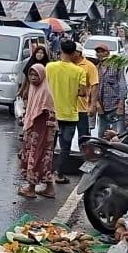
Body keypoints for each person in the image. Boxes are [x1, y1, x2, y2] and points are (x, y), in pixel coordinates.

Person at [46, 40, 87, 183]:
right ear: (74, 52)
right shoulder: (79, 71)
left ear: (60, 51)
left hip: (51, 113)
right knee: (65, 147)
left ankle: (46, 173)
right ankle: (59, 174)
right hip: (69, 115)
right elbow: (82, 92)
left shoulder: (50, 67)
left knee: (49, 145)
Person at [17, 63, 57, 199]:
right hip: (34, 127)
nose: (33, 78)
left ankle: (31, 188)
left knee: (36, 155)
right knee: (43, 157)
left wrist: (37, 129)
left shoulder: (45, 91)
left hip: (40, 129)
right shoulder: (34, 88)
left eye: (36, 75)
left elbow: (48, 112)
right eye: (31, 75)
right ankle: (49, 188)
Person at [95, 45, 128, 135]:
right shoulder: (96, 69)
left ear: (107, 53)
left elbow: (122, 84)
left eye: (102, 51)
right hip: (102, 108)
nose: (100, 54)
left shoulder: (116, 67)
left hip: (115, 106)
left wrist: (121, 104)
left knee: (118, 135)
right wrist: (96, 104)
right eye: (98, 52)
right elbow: (93, 88)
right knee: (102, 135)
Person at [74, 42, 100, 142]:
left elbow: (94, 86)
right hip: (67, 107)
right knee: (65, 135)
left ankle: (85, 155)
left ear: (78, 53)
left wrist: (93, 105)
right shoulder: (67, 64)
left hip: (83, 107)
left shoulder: (90, 66)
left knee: (83, 134)